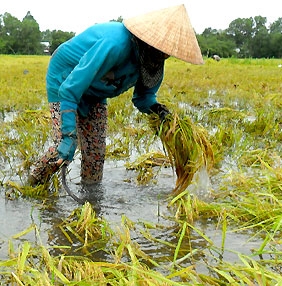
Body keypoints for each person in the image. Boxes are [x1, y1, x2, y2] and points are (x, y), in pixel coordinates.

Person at [28, 4, 203, 186]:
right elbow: (70, 89)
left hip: (96, 90)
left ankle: (91, 197)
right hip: (65, 79)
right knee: (63, 147)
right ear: (149, 39)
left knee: (96, 153)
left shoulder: (153, 61)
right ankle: (33, 182)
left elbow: (143, 97)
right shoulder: (115, 43)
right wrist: (68, 136)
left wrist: (159, 111)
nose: (164, 55)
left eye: (168, 52)